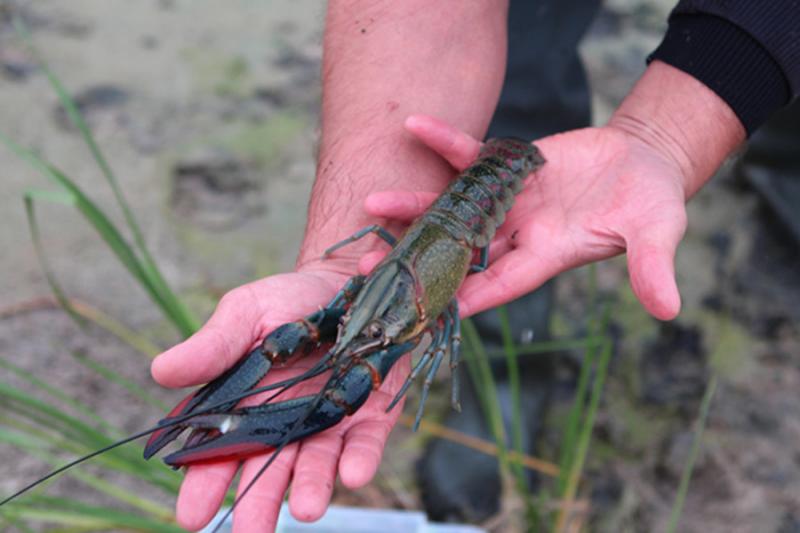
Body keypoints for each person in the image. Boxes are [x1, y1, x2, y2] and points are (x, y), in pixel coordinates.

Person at [149, 1, 799, 532]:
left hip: (484, 197)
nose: (337, 337)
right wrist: (337, 253)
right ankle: (505, 376)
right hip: (464, 201)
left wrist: (679, 126)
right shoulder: (358, 308)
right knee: (527, 60)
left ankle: (782, 161)